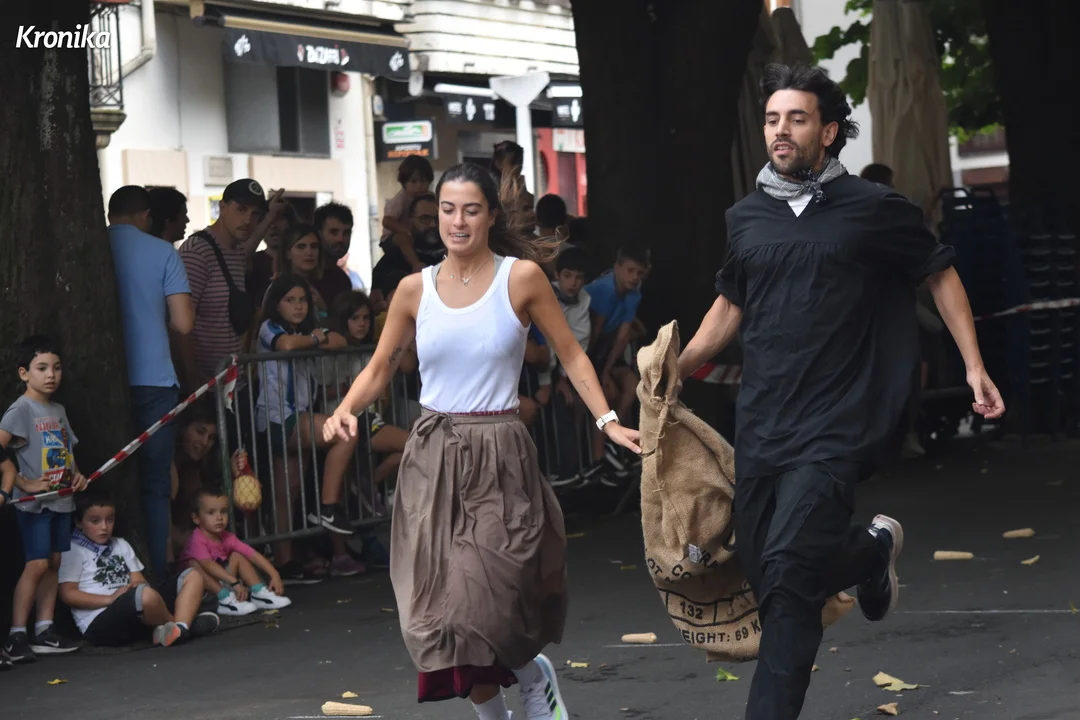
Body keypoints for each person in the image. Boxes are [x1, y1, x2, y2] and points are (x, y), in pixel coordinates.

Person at [676, 63, 1005, 720]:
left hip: (839, 417)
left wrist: (973, 365)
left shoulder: (873, 208)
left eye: (796, 119)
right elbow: (731, 304)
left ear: (827, 132)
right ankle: (870, 552)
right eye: (772, 119)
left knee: (791, 568)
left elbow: (938, 274)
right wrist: (673, 370)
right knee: (767, 570)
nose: (781, 130)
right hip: (764, 418)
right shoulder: (747, 217)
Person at [323, 162, 641, 720]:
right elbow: (380, 367)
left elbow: (571, 354)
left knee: (485, 604)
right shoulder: (413, 289)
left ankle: (531, 675)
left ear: (491, 215)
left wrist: (607, 421)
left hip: (499, 452)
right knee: (437, 618)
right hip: (432, 455)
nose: (458, 221)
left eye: (471, 210)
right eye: (448, 210)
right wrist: (345, 409)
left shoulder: (521, 278)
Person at [108, 185, 195, 581]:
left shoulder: (90, 247)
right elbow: (183, 323)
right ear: (146, 215)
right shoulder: (163, 252)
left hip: (106, 381)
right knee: (156, 485)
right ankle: (157, 575)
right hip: (155, 381)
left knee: (105, 479)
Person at [0, 336, 88, 661]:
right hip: (34, 505)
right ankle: (17, 634)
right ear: (24, 373)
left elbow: (66, 450)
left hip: (62, 499)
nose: (51, 374)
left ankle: (45, 629)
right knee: (36, 564)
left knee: (53, 563)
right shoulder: (20, 409)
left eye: (56, 367)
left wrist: (77, 475)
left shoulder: (58, 410)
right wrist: (23, 483)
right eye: (41, 368)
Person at [253, 274, 356, 543]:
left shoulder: (308, 331)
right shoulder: (268, 327)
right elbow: (286, 345)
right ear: (276, 303)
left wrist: (315, 336)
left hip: (297, 417)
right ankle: (328, 507)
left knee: (289, 491)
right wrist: (316, 339)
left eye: (303, 300)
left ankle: (285, 558)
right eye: (290, 300)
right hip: (278, 418)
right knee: (345, 431)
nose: (298, 306)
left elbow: (341, 341)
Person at [58, 489, 220, 647]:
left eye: (110, 520)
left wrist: (134, 589)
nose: (104, 527)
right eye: (95, 521)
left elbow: (140, 582)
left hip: (135, 611)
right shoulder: (73, 550)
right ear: (78, 522)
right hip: (100, 621)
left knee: (192, 575)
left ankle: (178, 629)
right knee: (145, 596)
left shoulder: (120, 544)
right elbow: (68, 594)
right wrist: (110, 599)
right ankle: (184, 627)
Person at [179, 487, 291, 614]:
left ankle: (259, 593)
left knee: (238, 555)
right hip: (198, 591)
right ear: (196, 518)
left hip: (224, 583)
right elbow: (208, 565)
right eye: (211, 513)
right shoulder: (196, 539)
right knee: (193, 565)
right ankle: (224, 599)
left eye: (223, 511)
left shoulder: (227, 537)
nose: (219, 517)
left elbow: (252, 554)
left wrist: (274, 574)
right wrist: (233, 581)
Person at [371, 193, 446, 303]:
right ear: (410, 220)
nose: (433, 225)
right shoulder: (392, 261)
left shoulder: (455, 257)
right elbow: (375, 306)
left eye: (437, 219)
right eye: (425, 219)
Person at [381, 155, 435, 249]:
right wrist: (406, 231)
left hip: (416, 236)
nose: (419, 186)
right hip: (393, 238)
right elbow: (387, 221)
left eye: (423, 181)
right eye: (413, 182)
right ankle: (414, 259)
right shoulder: (401, 199)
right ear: (404, 183)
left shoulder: (430, 197)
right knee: (403, 239)